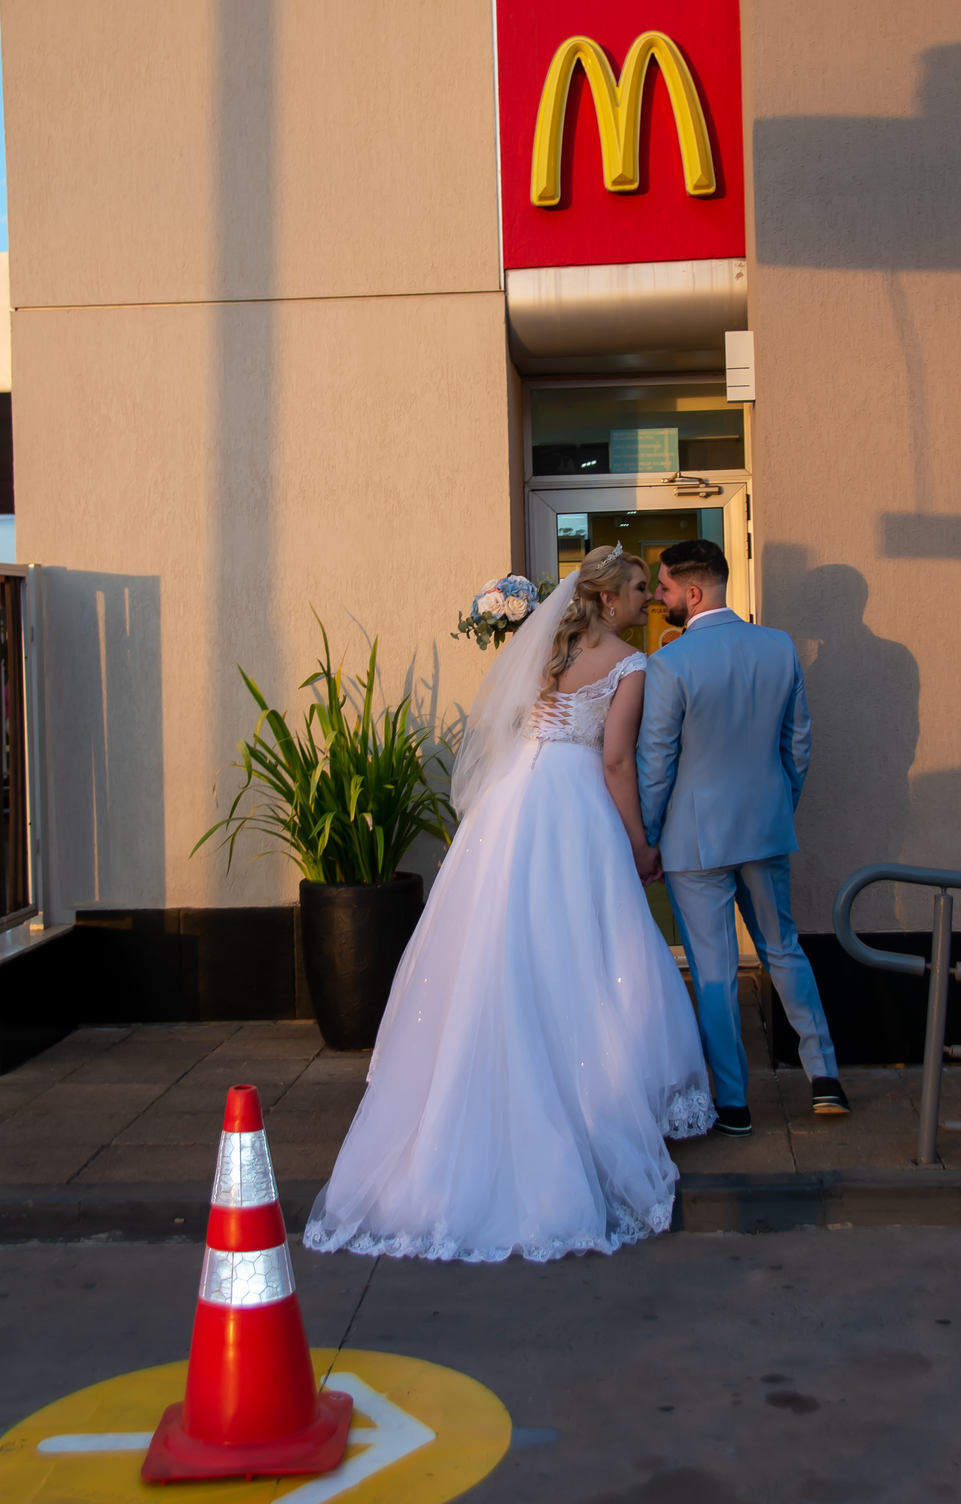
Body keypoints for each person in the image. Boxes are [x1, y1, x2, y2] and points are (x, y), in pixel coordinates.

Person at [304, 545, 714, 1265]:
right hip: (574, 805)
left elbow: (513, 730)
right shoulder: (630, 662)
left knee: (499, 943)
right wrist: (640, 844)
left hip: (510, 805)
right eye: (641, 588)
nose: (650, 598)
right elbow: (616, 762)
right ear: (610, 598)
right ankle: (587, 1098)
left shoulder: (547, 651)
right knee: (582, 949)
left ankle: (475, 1083)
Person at [637, 540, 849, 1133]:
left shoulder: (670, 664)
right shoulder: (778, 647)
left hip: (693, 841)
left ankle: (733, 1102)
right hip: (765, 828)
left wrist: (649, 837)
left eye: (666, 587)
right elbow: (798, 745)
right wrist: (779, 806)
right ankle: (825, 1077)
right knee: (784, 949)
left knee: (714, 970)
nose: (660, 596)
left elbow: (657, 762)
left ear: (694, 592)